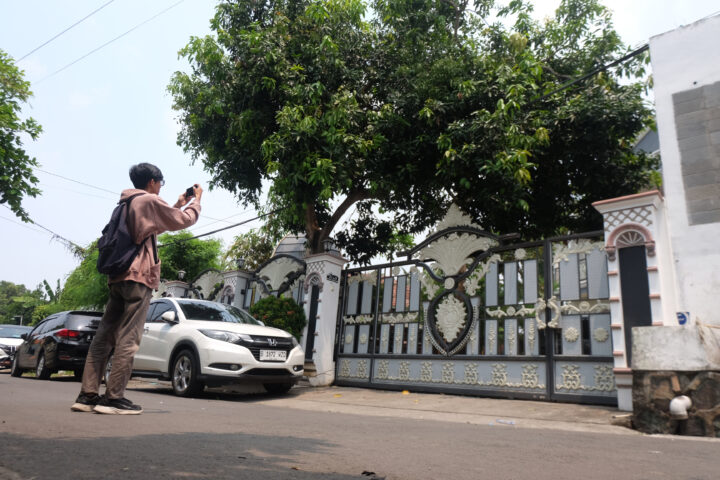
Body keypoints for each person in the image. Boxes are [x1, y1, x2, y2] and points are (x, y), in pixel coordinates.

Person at [71, 163, 202, 415]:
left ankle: (87, 395)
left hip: (118, 276)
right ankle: (113, 398)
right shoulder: (148, 201)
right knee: (129, 337)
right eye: (160, 183)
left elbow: (156, 225)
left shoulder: (126, 203)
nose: (160, 188)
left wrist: (176, 203)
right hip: (138, 277)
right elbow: (184, 221)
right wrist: (195, 202)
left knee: (103, 336)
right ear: (153, 182)